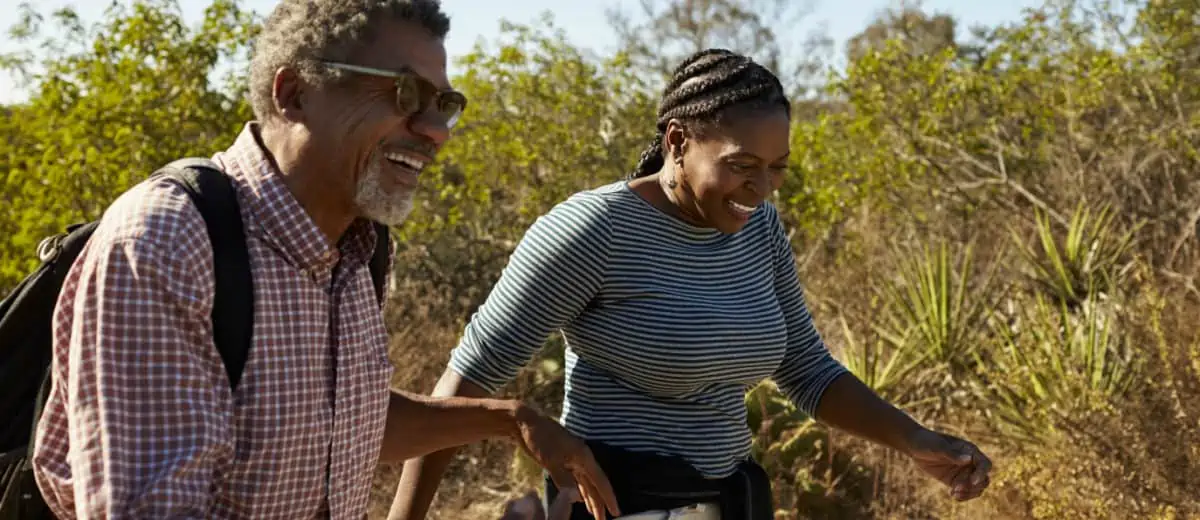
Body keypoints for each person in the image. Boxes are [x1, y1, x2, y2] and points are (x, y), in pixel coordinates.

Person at [29, 1, 618, 519]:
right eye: (404, 94)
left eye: (445, 103)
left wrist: (509, 419)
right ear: (294, 93)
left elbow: (341, 423)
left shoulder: (361, 245)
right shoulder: (170, 241)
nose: (435, 131)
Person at [389, 49, 993, 520]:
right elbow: (466, 383)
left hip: (731, 499)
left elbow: (806, 370)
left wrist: (913, 440)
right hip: (618, 503)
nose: (761, 190)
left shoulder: (757, 225)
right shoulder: (594, 228)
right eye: (741, 166)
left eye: (777, 169)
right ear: (677, 141)